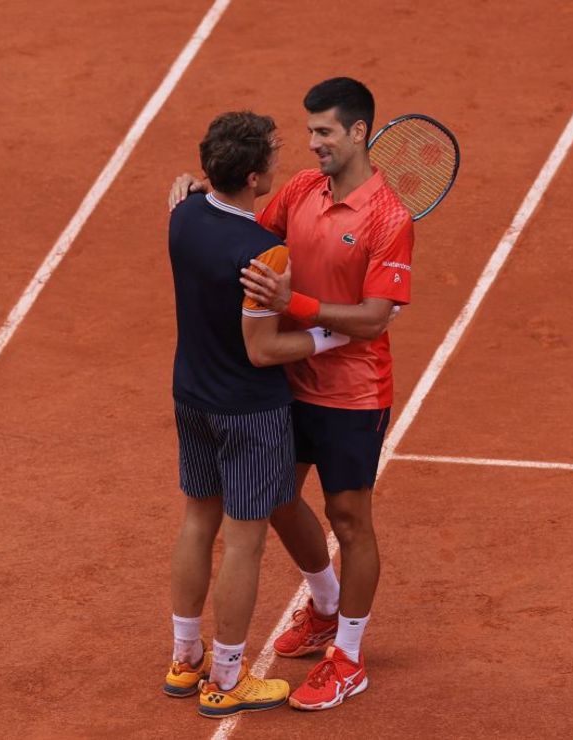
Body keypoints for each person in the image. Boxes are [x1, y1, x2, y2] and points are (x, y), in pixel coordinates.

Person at [169, 77, 413, 711]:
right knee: (276, 499)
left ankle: (350, 656)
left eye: (324, 132)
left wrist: (296, 305)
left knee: (350, 520)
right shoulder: (302, 190)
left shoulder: (389, 218)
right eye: (308, 134)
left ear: (359, 133)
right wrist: (207, 192)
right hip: (282, 382)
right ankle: (327, 605)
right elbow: (246, 233)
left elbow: (375, 316)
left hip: (353, 391)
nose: (311, 146)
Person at [164, 110, 350, 719]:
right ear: (251, 176)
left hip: (191, 396)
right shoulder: (262, 253)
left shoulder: (184, 213)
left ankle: (183, 658)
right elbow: (263, 348)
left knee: (198, 522)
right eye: (271, 154)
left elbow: (184, 189)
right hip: (248, 411)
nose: (281, 159)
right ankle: (226, 678)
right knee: (243, 543)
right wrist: (329, 336)